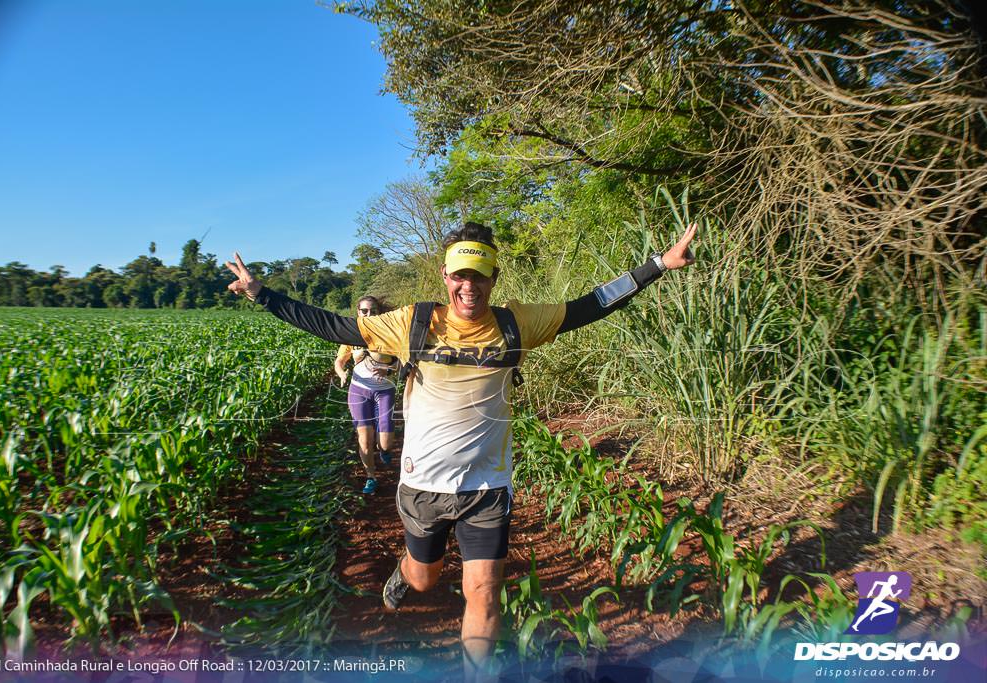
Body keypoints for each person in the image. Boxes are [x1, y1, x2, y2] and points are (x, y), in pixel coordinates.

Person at [225, 220, 697, 681]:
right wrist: (261, 294)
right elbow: (334, 326)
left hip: (487, 487)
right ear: (446, 277)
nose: (469, 287)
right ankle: (405, 569)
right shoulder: (413, 322)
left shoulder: (517, 324)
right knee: (424, 578)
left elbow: (590, 306)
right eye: (460, 276)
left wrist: (657, 264)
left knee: (485, 592)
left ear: (494, 278)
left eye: (480, 276)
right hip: (422, 486)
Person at [333, 295, 398, 494]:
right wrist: (342, 373)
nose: (368, 315)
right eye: (364, 311)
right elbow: (339, 362)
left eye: (373, 311)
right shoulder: (351, 336)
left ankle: (384, 450)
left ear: (380, 313)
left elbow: (404, 361)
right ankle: (371, 476)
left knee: (385, 443)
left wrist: (390, 369)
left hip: (384, 390)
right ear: (358, 313)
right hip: (358, 391)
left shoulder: (390, 334)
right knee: (364, 440)